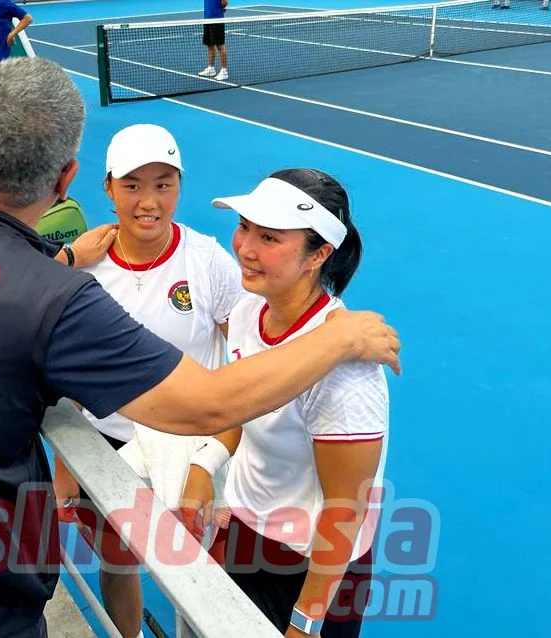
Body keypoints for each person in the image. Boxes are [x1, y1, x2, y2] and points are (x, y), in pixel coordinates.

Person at [0, 57, 400, 638]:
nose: (246, 247)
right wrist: (338, 336)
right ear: (69, 179)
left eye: (164, 183)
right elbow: (212, 404)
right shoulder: (57, 298)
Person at [53, 123, 243, 638]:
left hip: (191, 446)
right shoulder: (86, 271)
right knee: (118, 561)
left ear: (179, 185)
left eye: (164, 184)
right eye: (133, 185)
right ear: (109, 188)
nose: (149, 202)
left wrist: (215, 458)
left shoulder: (207, 260)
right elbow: (71, 371)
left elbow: (244, 360)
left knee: (205, 576)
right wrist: (66, 462)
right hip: (106, 445)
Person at [181, 169, 389, 637]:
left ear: (319, 255)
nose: (245, 248)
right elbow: (241, 402)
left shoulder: (347, 374)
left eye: (270, 237)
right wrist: (203, 465)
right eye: (245, 227)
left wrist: (305, 621)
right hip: (245, 530)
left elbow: (344, 510)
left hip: (314, 569)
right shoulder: (247, 311)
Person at [198, 0, 228, 81]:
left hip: (217, 20)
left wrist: (221, 8)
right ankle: (211, 69)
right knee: (210, 44)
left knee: (220, 46)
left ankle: (224, 72)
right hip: (207, 19)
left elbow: (225, 2)